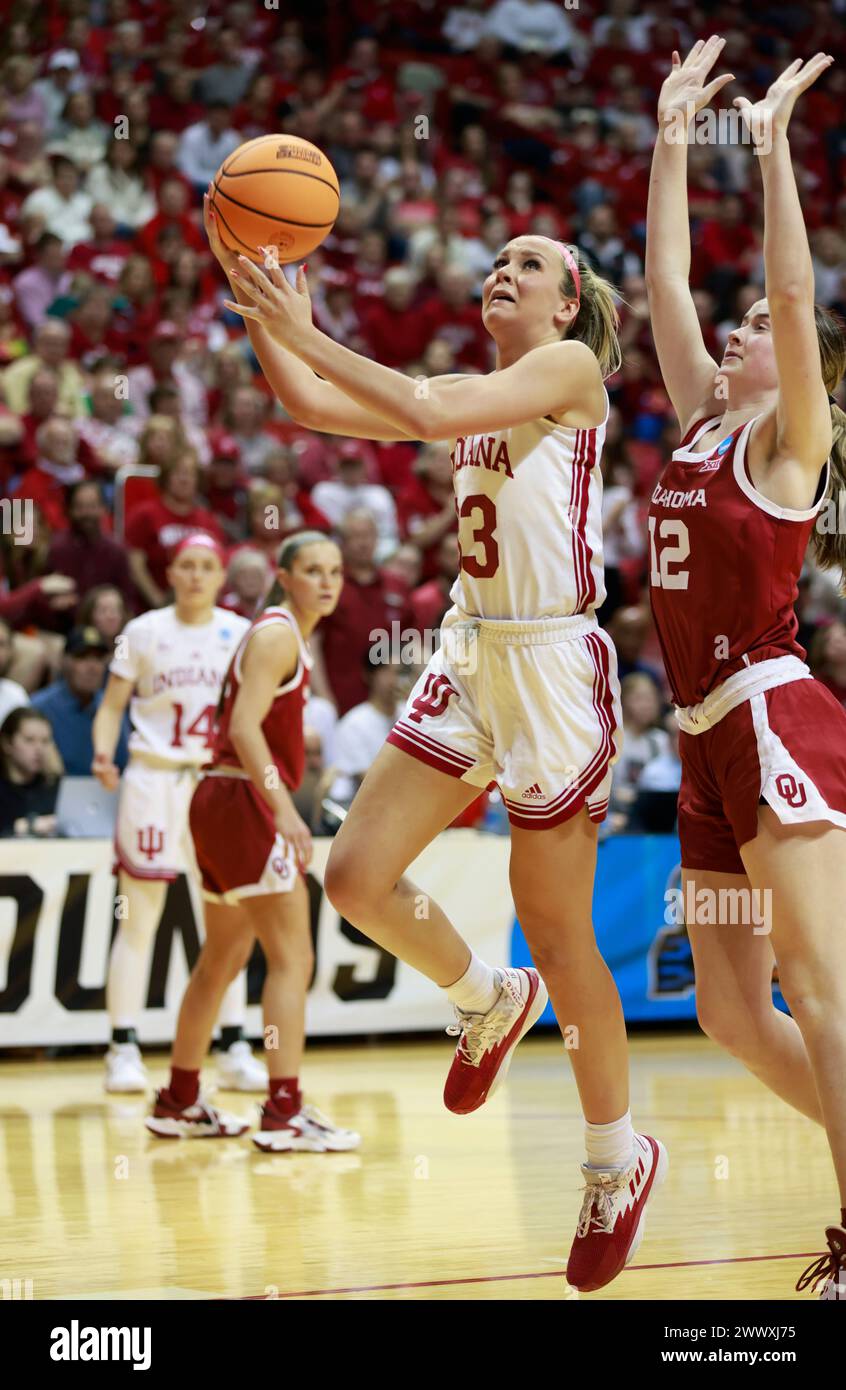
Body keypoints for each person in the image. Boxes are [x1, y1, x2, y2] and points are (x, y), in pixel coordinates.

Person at [207, 194, 666, 1288]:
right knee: (358, 877)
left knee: (560, 935)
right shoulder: (465, 392)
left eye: (531, 263)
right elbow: (312, 405)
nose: (503, 271)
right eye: (498, 259)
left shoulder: (568, 376)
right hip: (472, 652)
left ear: (569, 306)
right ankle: (486, 999)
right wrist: (271, 312)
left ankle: (616, 1157)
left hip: (553, 667)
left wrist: (305, 326)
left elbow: (410, 412)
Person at [646, 38, 846, 1297]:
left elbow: (788, 294)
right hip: (702, 746)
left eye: (758, 331)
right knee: (729, 1007)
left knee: (823, 989)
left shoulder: (787, 450)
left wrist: (768, 151)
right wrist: (673, 140)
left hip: (773, 724)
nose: (738, 330)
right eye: (739, 329)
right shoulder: (704, 422)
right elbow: (664, 276)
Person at [146, 532, 360, 1153]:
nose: (327, 581)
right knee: (294, 959)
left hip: (219, 799)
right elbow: (243, 729)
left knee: (222, 960)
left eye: (336, 570)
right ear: (284, 577)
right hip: (240, 800)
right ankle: (284, 1111)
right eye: (312, 570)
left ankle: (179, 1100)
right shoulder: (276, 635)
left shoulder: (283, 634)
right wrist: (284, 811)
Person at [92, 535, 261, 1095]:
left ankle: (234, 1044)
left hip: (215, 785)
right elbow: (112, 706)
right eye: (186, 566)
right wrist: (102, 752)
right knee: (138, 918)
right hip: (154, 780)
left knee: (230, 922)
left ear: (220, 576)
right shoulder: (143, 631)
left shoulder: (240, 634)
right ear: (170, 573)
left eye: (206, 566)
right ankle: (123, 1046)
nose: (195, 575)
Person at [32, 625, 130, 775]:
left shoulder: (112, 706)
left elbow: (125, 764)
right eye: (82, 657)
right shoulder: (39, 708)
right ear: (63, 661)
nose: (92, 667)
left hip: (106, 792)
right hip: (51, 793)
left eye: (98, 658)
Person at [0, 707, 59, 837]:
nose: (39, 749)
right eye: (29, 740)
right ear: (6, 743)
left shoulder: (54, 786)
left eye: (45, 741)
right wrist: (25, 826)